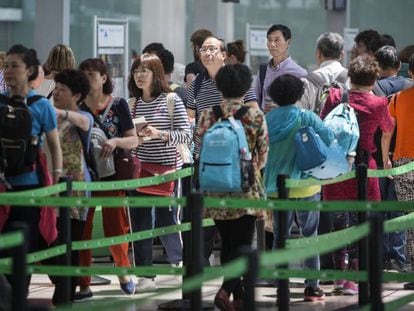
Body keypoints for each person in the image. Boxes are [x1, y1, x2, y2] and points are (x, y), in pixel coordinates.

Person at [320, 55, 394, 295]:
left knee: (339, 221)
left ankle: (340, 275)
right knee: (363, 221)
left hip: (336, 167)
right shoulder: (378, 104)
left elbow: (322, 126)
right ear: (374, 79)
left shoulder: (334, 97)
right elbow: (387, 128)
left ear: (350, 77)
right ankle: (356, 274)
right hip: (364, 166)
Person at [198, 63, 268, 310]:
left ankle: (237, 297)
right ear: (246, 87)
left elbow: (202, 146)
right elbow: (263, 154)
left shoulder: (208, 114)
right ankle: (227, 289)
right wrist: (250, 169)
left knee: (227, 243)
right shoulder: (254, 115)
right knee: (243, 245)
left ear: (219, 86)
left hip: (214, 188)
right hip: (245, 188)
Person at [186, 36, 258, 266]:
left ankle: (233, 280)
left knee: (235, 222)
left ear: (223, 54)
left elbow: (253, 113)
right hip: (205, 160)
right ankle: (204, 270)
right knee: (205, 219)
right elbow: (190, 120)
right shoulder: (196, 83)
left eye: (212, 49)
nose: (207, 53)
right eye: (203, 49)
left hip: (237, 161)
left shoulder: (237, 78)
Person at [264, 74, 333, 302]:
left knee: (279, 237)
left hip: (276, 186)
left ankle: (280, 282)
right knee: (309, 235)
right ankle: (311, 287)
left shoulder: (268, 119)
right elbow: (329, 136)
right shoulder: (306, 117)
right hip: (306, 185)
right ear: (298, 94)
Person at [0, 44, 63, 295]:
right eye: (6, 66)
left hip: (30, 188)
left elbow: (55, 147)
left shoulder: (41, 105)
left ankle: (19, 298)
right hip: (3, 187)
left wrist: (57, 182)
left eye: (15, 66)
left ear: (30, 71)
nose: (8, 71)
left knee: (24, 249)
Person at [75, 58, 138, 300]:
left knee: (116, 228)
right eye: (84, 74)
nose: (88, 79)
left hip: (112, 176)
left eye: (92, 74)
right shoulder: (77, 106)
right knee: (83, 230)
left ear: (104, 78)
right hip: (85, 176)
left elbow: (133, 139)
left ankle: (123, 272)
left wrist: (115, 142)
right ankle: (84, 284)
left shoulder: (119, 104)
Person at [128, 53, 191, 292]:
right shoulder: (132, 103)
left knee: (168, 221)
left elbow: (186, 135)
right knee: (140, 223)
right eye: (136, 71)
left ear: (156, 73)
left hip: (168, 172)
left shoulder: (172, 100)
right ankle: (145, 275)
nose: (140, 75)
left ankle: (177, 264)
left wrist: (160, 134)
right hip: (140, 170)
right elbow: (128, 138)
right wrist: (136, 139)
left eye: (145, 70)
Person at [45, 69, 93, 305]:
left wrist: (62, 113)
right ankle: (62, 288)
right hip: (50, 190)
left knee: (69, 245)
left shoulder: (83, 116)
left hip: (76, 192)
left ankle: (64, 297)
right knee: (49, 241)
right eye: (55, 88)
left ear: (76, 96)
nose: (56, 92)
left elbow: (84, 122)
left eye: (62, 90)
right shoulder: (48, 115)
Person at [373, 45, 412, 273]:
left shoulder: (375, 87)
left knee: (378, 208)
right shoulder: (409, 87)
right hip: (404, 156)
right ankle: (398, 257)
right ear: (399, 66)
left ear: (377, 67)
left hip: (379, 157)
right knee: (398, 208)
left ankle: (380, 257)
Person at [382, 53, 414, 289]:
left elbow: (387, 133)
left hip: (404, 161)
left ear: (409, 73)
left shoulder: (397, 99)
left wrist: (386, 159)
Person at [254, 24, 307, 112]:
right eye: (269, 40)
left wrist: (282, 108)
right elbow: (256, 99)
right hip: (265, 123)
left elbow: (304, 106)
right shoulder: (263, 70)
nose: (272, 44)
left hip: (287, 123)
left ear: (288, 43)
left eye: (277, 40)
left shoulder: (299, 73)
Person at [297, 32, 348, 112]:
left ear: (318, 53)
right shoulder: (352, 79)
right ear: (341, 55)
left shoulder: (306, 82)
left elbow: (299, 113)